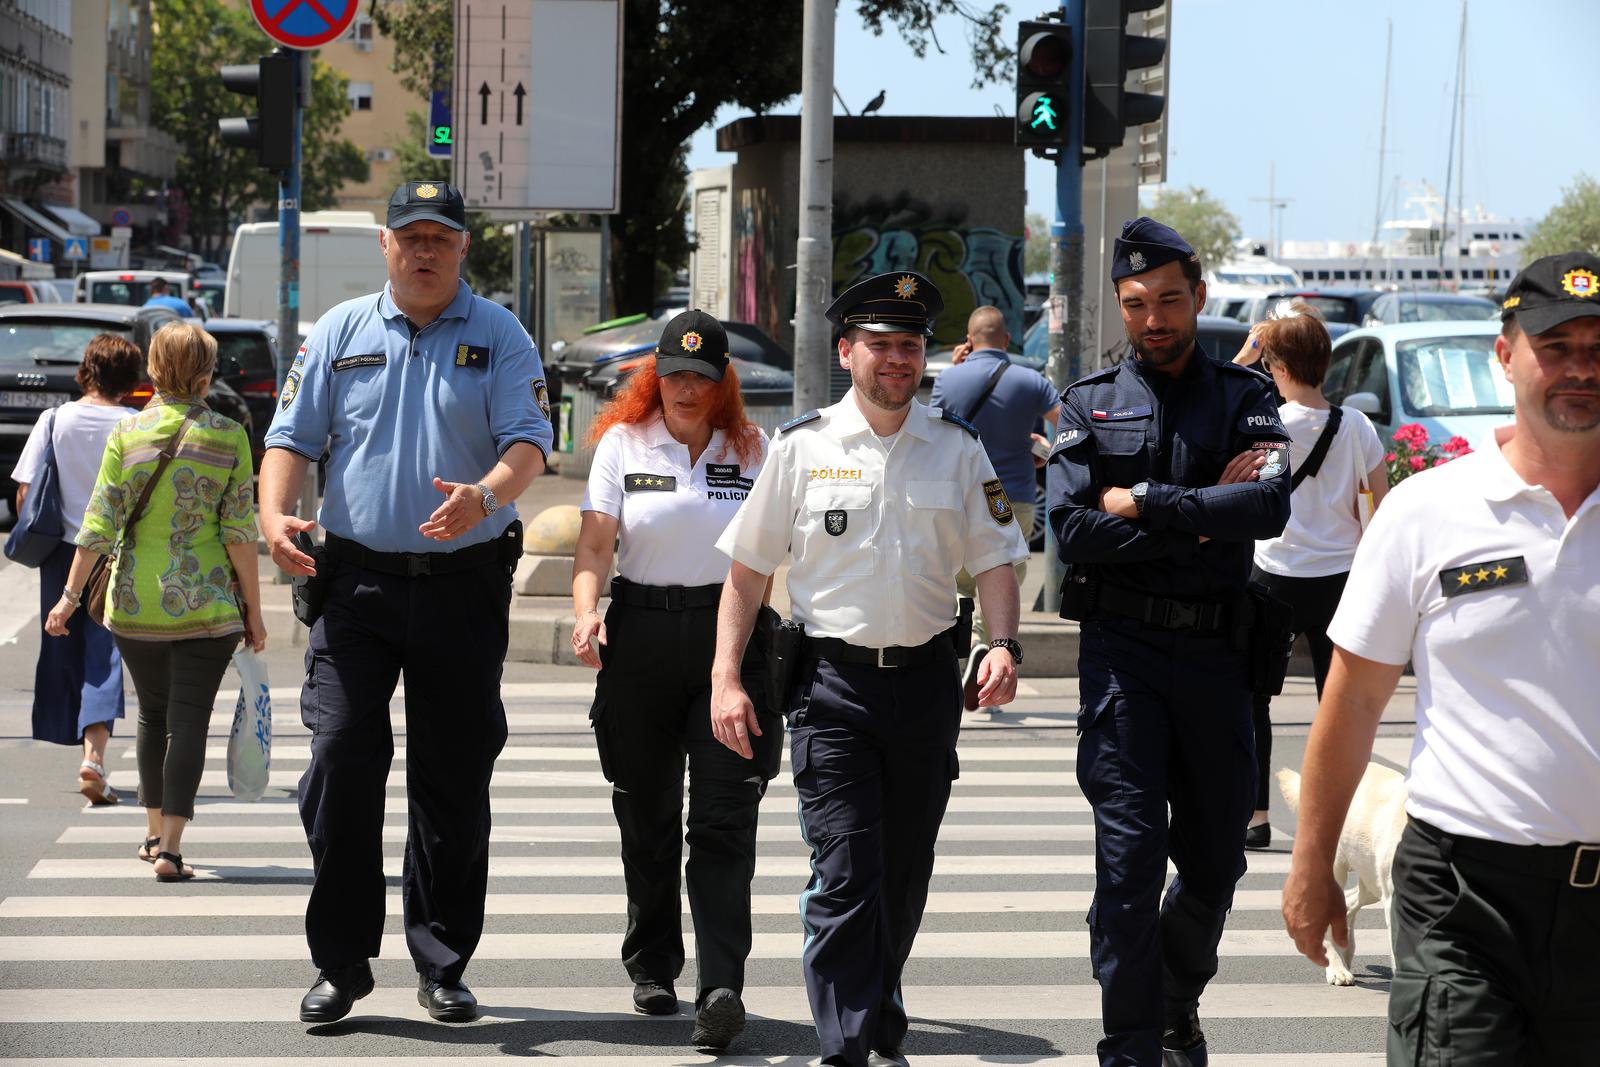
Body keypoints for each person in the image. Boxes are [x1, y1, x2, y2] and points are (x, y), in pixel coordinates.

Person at [1282, 251, 1600, 1064]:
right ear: (1505, 355)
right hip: (1465, 900)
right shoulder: (1427, 511)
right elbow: (1353, 701)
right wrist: (1313, 863)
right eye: (1556, 346)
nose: (1580, 368)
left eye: (1598, 349)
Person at [710, 270, 1030, 1067]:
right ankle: (847, 1044)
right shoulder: (802, 446)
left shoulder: (957, 448)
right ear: (847, 350)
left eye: (910, 346)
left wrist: (1003, 643)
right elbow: (748, 571)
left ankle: (877, 1002)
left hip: (925, 687)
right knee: (847, 868)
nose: (897, 360)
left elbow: (996, 558)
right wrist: (725, 677)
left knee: (904, 872)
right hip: (832, 689)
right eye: (880, 345)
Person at [258, 181, 553, 1026]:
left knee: (452, 778)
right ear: (385, 246)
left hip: (463, 583)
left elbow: (530, 442)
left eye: (441, 238)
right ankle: (341, 962)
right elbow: (289, 439)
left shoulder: (499, 333)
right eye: (411, 237)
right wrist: (274, 515)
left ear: (463, 249)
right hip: (355, 584)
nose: (425, 251)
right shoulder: (339, 331)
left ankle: (443, 961)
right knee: (340, 759)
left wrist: (485, 494)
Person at [1045, 217, 1292, 1067]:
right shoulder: (1086, 402)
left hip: (1219, 660)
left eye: (1169, 300)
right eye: (1136, 303)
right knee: (1128, 866)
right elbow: (1073, 531)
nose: (1153, 318)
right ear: (1121, 306)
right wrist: (1201, 515)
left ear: (1198, 296)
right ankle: (1132, 1045)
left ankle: (1174, 995)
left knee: (1218, 861)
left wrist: (1148, 501)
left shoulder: (1246, 396)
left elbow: (1267, 505)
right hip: (1123, 658)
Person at [571, 309, 780, 1050]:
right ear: (653, 379)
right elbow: (595, 546)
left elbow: (767, 557)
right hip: (640, 640)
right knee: (647, 813)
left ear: (724, 382)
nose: (687, 388)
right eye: (674, 375)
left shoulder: (754, 449)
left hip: (731, 645)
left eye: (701, 375)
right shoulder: (623, 444)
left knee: (723, 821)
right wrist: (587, 611)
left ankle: (721, 986)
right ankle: (653, 961)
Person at [44, 322, 265, 881]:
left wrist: (69, 598)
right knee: (189, 721)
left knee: (152, 715)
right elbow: (240, 532)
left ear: (154, 370)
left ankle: (149, 834)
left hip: (134, 603)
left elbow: (98, 525)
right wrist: (255, 612)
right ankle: (171, 848)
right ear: (206, 374)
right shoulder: (229, 436)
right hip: (206, 605)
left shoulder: (128, 433)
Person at [1231, 303, 1388, 849]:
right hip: (1342, 581)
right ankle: (1341, 822)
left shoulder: (1265, 425)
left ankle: (1255, 817)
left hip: (1272, 575)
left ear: (1276, 365)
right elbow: (1380, 506)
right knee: (1340, 705)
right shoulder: (1357, 426)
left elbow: (1207, 414)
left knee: (1254, 700)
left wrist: (1244, 357)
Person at [11, 335, 141, 807]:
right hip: (115, 554)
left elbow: (25, 494)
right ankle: (94, 758)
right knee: (104, 655)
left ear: (87, 369)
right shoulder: (133, 423)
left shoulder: (54, 419)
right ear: (130, 378)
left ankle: (81, 746)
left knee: (62, 652)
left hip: (60, 554)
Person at [930, 305, 1060, 706]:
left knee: (958, 582)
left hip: (960, 496)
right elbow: (1069, 422)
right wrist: (1047, 449)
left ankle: (972, 644)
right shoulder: (1031, 380)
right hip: (1015, 496)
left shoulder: (948, 379)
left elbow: (936, 431)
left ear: (969, 341)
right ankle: (988, 651)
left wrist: (957, 370)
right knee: (1004, 577)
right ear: (1006, 340)